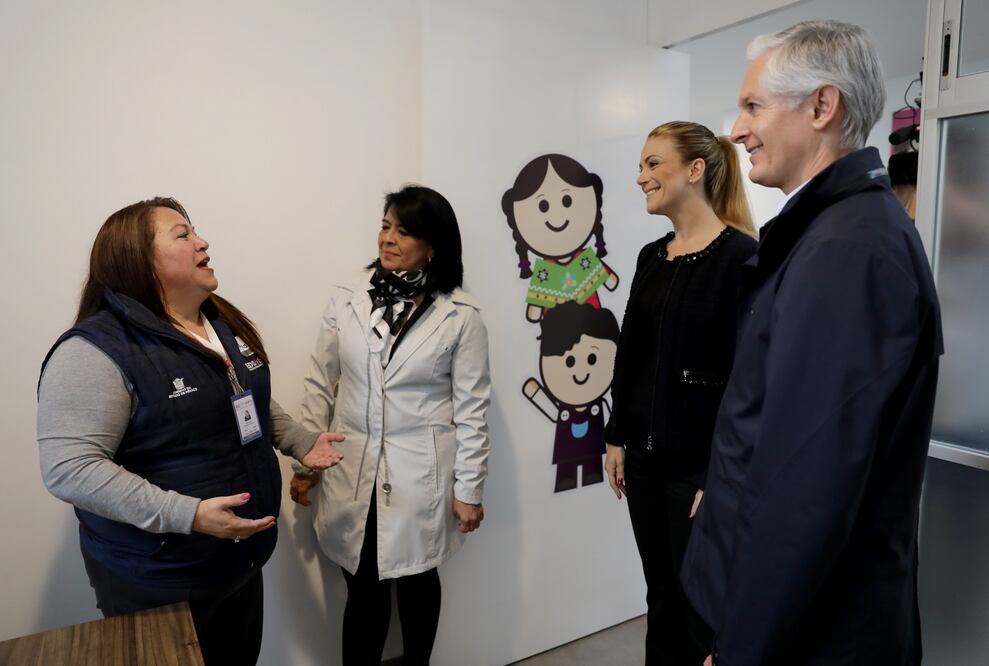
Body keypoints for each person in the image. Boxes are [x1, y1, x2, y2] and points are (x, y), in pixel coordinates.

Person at [679, 21, 942, 665]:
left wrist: (742, 648)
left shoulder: (846, 252)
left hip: (815, 634)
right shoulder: (829, 232)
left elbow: (807, 488)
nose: (736, 131)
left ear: (822, 107)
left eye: (752, 107)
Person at [36, 197, 345, 665]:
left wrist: (300, 442)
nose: (202, 241)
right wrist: (189, 514)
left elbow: (245, 396)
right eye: (182, 234)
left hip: (239, 561)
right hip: (158, 578)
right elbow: (70, 470)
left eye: (194, 231)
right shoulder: (93, 351)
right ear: (139, 259)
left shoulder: (217, 320)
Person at [290, 185, 490, 665]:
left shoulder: (460, 316)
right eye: (385, 226)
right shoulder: (347, 299)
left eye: (404, 230)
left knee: (420, 580)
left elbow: (472, 409)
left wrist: (470, 489)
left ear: (434, 244)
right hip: (350, 466)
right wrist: (307, 461)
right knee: (363, 589)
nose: (389, 238)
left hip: (419, 475)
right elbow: (322, 382)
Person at [603, 120, 757, 665]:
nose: (640, 176)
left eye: (652, 164)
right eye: (641, 165)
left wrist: (720, 477)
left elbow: (749, 382)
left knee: (701, 611)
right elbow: (632, 355)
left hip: (699, 470)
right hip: (644, 462)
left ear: (695, 170)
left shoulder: (742, 258)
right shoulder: (652, 255)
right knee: (660, 596)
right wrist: (617, 435)